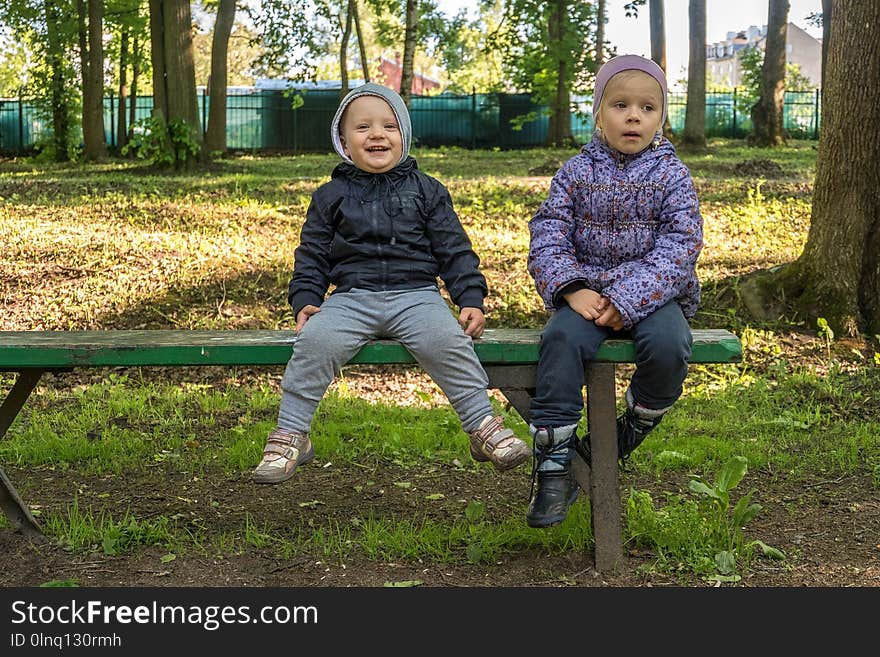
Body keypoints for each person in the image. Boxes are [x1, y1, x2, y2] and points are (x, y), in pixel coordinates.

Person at [253, 82, 530, 484]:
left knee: (448, 342)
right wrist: (306, 300)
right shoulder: (331, 195)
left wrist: (469, 297)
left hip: (416, 297)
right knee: (314, 342)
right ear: (344, 142)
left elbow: (454, 249)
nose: (377, 134)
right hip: (351, 299)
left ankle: (480, 424)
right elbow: (312, 255)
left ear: (404, 136)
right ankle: (292, 431)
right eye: (363, 127)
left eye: (389, 126)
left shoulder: (427, 191)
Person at [524, 55, 704, 528]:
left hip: (654, 296)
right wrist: (571, 288)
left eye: (647, 108)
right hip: (586, 292)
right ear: (598, 112)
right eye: (620, 105)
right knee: (560, 342)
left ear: (661, 117)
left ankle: (632, 427)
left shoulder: (672, 175)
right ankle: (554, 463)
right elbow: (548, 233)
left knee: (669, 345)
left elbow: (680, 246)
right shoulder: (575, 171)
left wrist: (628, 302)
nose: (633, 116)